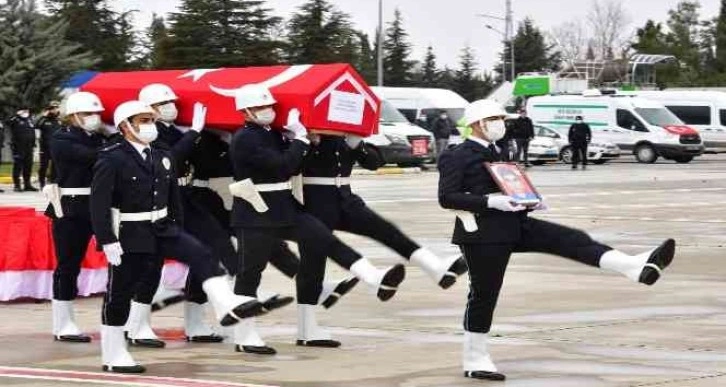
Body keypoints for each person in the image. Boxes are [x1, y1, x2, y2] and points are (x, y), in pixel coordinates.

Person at [437, 99, 677, 381]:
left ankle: (633, 267)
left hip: (515, 223)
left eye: (502, 118)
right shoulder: (457, 155)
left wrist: (529, 200)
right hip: (482, 234)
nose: (501, 124)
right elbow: (447, 197)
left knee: (571, 239)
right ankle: (475, 358)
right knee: (484, 294)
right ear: (479, 124)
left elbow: (509, 183)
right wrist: (491, 202)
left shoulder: (499, 149)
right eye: (496, 119)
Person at [90, 100, 265, 373]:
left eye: (151, 119)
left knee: (202, 253)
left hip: (163, 227)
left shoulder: (161, 154)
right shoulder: (112, 157)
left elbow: (172, 197)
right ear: (125, 126)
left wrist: (178, 227)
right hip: (131, 232)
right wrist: (107, 240)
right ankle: (113, 354)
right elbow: (99, 204)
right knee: (120, 293)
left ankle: (227, 302)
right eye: (143, 120)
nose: (150, 125)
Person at [229, 85, 405, 355]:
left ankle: (374, 276)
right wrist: (299, 140)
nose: (269, 111)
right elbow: (282, 167)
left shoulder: (272, 134)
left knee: (323, 238)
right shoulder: (245, 138)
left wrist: (305, 142)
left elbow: (294, 163)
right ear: (246, 112)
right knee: (250, 272)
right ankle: (245, 334)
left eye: (271, 106)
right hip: (257, 213)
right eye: (263, 108)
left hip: (285, 208)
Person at [300, 131, 468, 345]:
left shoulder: (343, 134)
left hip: (345, 198)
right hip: (314, 200)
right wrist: (305, 141)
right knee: (313, 262)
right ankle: (306, 329)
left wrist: (357, 144)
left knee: (386, 230)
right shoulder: (304, 132)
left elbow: (374, 162)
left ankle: (435, 267)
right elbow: (290, 166)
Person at [43, 92, 105, 344]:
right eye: (89, 114)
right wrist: (115, 140)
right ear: (73, 116)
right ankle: (63, 323)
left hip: (99, 206)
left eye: (97, 113)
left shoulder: (100, 138)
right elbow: (91, 156)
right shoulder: (61, 137)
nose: (94, 118)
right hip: (70, 208)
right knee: (68, 265)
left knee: (122, 262)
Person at [8, 107, 38, 192]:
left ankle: (27, 185)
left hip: (29, 147)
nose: (27, 112)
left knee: (28, 166)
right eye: (25, 110)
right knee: (18, 167)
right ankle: (17, 185)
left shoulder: (29, 120)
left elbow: (32, 131)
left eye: (28, 110)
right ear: (20, 111)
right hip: (18, 147)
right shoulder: (15, 120)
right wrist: (17, 115)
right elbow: (8, 122)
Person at [37, 101, 63, 188]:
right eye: (52, 108)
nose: (55, 110)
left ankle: (53, 182)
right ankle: (42, 182)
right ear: (48, 109)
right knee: (43, 166)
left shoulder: (59, 120)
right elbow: (36, 125)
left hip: (56, 146)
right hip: (45, 147)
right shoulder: (44, 120)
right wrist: (43, 116)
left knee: (55, 166)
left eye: (56, 108)